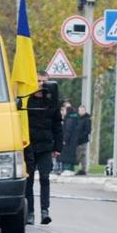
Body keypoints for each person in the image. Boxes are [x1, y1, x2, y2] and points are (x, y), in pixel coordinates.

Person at [24, 71, 63, 225]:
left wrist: (57, 147)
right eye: (38, 81)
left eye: (44, 81)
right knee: (29, 180)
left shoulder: (52, 103)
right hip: (29, 146)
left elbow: (57, 126)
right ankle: (30, 213)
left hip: (46, 146)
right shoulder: (27, 101)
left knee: (45, 178)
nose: (41, 84)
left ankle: (45, 211)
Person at [60, 103, 79, 175]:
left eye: (63, 110)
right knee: (71, 155)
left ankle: (67, 169)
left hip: (69, 141)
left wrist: (64, 140)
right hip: (73, 141)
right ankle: (71, 169)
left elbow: (68, 130)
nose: (62, 112)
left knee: (66, 155)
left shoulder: (69, 119)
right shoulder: (74, 117)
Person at [74, 105, 91, 175]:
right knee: (78, 155)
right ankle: (81, 168)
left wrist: (80, 136)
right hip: (77, 140)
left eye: (81, 110)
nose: (80, 112)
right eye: (79, 110)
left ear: (84, 111)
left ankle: (83, 169)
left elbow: (87, 130)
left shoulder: (87, 119)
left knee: (82, 155)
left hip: (83, 140)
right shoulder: (78, 119)